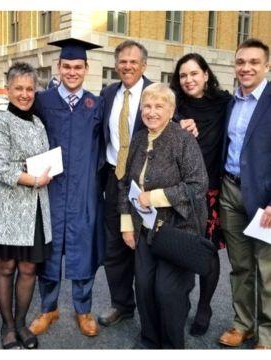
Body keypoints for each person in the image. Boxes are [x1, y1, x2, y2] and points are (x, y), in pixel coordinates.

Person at [98, 39, 198, 327]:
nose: (127, 66)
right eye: (122, 61)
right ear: (116, 65)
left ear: (144, 65)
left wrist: (189, 124)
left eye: (133, 61)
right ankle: (122, 305)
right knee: (116, 247)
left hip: (149, 186)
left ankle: (157, 313)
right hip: (114, 178)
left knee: (148, 250)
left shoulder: (156, 93)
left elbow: (173, 122)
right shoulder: (107, 94)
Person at [119, 83, 208, 349]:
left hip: (178, 228)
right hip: (145, 226)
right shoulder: (137, 139)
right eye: (147, 106)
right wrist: (126, 224)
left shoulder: (182, 139)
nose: (152, 111)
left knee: (168, 291)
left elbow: (197, 185)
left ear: (171, 111)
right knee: (144, 286)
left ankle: (171, 345)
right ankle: (149, 340)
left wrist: (155, 196)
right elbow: (125, 184)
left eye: (159, 106)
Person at [29, 38, 105, 337]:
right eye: (66, 66)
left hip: (84, 190)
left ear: (86, 68)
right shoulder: (41, 101)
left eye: (78, 67)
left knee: (83, 250)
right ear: (58, 67)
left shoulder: (96, 104)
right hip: (50, 188)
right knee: (48, 252)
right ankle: (49, 309)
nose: (72, 72)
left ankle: (83, 310)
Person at [0, 62, 52, 350]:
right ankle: (8, 326)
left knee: (29, 268)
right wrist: (33, 178)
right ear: (7, 89)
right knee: (6, 267)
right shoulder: (1, 123)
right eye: (18, 88)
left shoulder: (38, 122)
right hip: (7, 207)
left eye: (29, 88)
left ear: (36, 90)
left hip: (34, 208)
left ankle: (22, 323)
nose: (24, 93)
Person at [170, 53, 232, 336]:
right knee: (179, 248)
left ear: (206, 75)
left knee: (207, 252)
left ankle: (205, 306)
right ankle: (179, 301)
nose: (188, 80)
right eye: (183, 75)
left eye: (194, 73)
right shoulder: (175, 107)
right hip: (181, 191)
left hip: (210, 191)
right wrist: (175, 128)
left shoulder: (225, 104)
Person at [218, 38, 271, 350]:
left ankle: (267, 335)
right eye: (241, 62)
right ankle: (243, 324)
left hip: (264, 200)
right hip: (230, 191)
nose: (246, 67)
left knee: (267, 270)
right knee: (239, 266)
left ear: (266, 65)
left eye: (253, 62)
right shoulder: (231, 101)